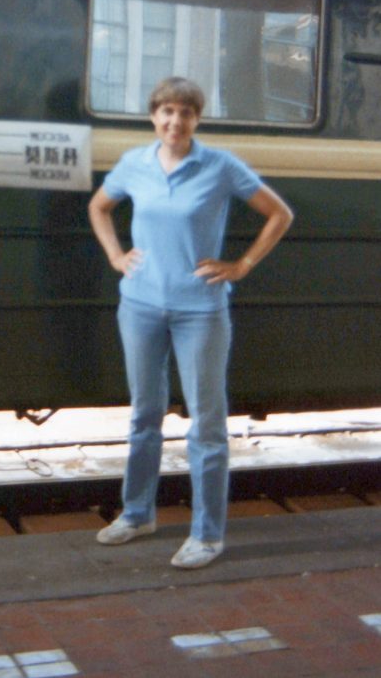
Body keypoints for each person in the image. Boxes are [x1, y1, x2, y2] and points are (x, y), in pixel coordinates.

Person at [88, 76, 294, 569]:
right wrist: (117, 255)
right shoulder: (134, 164)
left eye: (185, 112)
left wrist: (240, 266)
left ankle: (207, 534)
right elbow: (100, 206)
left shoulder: (219, 165)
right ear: (153, 116)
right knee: (144, 415)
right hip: (139, 305)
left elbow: (279, 214)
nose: (175, 121)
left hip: (200, 309)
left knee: (206, 423)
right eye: (166, 111)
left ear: (196, 119)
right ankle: (137, 514)